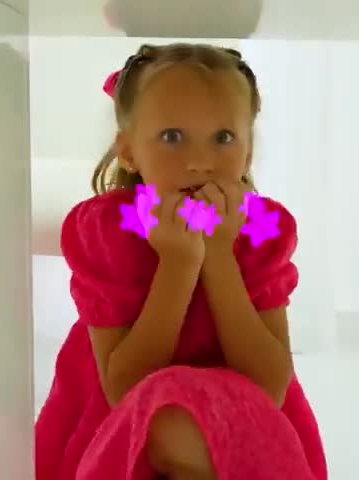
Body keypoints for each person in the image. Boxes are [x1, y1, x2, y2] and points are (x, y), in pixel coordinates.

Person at [35, 42, 327, 480]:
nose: (200, 162)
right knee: (173, 416)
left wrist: (219, 255)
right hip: (131, 428)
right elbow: (125, 389)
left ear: (248, 151)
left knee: (200, 429)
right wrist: (178, 263)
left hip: (239, 422)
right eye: (172, 137)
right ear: (128, 151)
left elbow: (268, 386)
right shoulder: (106, 231)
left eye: (223, 138)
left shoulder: (262, 230)